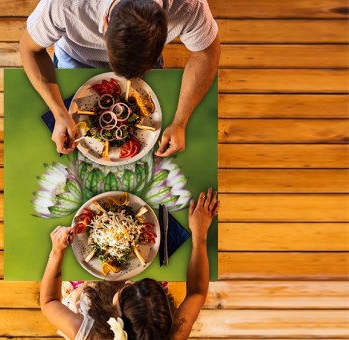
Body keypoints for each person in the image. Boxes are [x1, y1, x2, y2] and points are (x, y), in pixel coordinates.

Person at [20, 0, 221, 155]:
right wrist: (59, 114)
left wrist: (180, 122)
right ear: (105, 23)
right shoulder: (63, 4)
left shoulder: (189, 6)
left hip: (148, 68)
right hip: (75, 59)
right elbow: (29, 49)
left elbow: (206, 54)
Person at [40, 188, 219, 339]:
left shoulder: (91, 334)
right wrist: (200, 235)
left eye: (128, 289)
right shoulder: (171, 334)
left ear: (115, 318)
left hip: (88, 293)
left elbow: (49, 302)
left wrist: (57, 252)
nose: (130, 281)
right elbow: (197, 293)